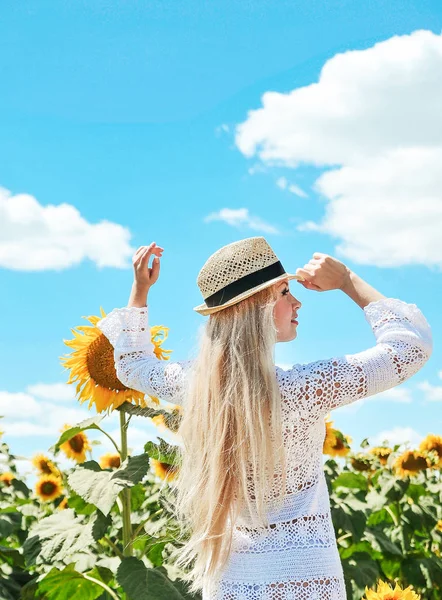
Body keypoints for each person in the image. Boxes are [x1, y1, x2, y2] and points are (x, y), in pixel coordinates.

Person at [97, 237, 433, 600]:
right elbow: (410, 347)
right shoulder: (306, 387)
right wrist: (347, 280)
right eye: (286, 292)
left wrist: (140, 289)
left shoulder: (197, 386)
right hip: (308, 577)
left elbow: (132, 366)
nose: (297, 301)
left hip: (229, 580)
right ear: (258, 305)